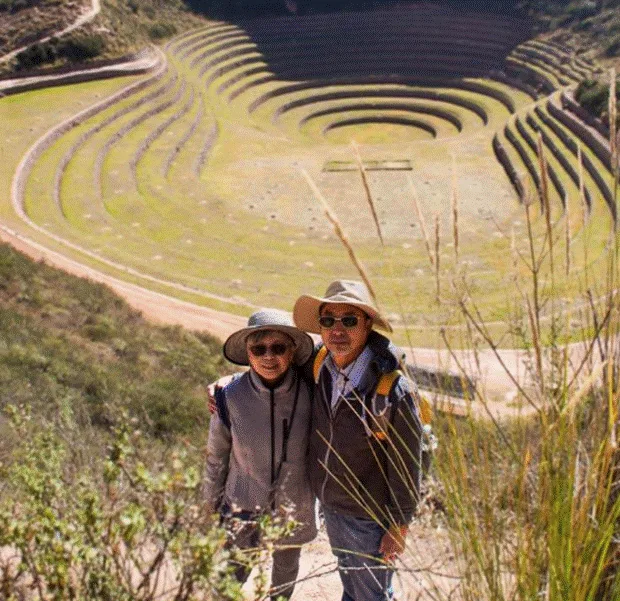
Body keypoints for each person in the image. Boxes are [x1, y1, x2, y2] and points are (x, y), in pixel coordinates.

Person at [293, 279, 423, 601]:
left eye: (349, 320)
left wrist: (399, 525)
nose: (337, 330)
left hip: (369, 516)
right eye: (328, 320)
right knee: (354, 587)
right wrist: (229, 384)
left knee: (371, 595)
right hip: (333, 505)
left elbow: (408, 466)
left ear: (367, 324)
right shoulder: (321, 363)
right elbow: (273, 373)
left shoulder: (393, 391)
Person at [202, 309, 317, 601]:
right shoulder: (228, 397)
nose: (269, 356)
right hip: (242, 502)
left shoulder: (313, 392)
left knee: (283, 584)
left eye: (278, 348)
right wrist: (209, 506)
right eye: (259, 349)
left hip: (294, 505)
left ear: (292, 353)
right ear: (248, 354)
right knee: (228, 583)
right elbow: (216, 457)